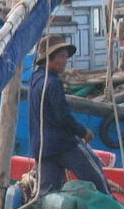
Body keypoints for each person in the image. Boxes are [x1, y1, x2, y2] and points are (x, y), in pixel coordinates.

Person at [28, 34, 110, 199]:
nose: (66, 61)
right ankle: (112, 208)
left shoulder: (35, 79)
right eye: (61, 57)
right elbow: (63, 116)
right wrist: (83, 131)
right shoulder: (53, 82)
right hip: (63, 145)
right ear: (49, 58)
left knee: (47, 195)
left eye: (66, 57)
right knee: (97, 178)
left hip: (43, 148)